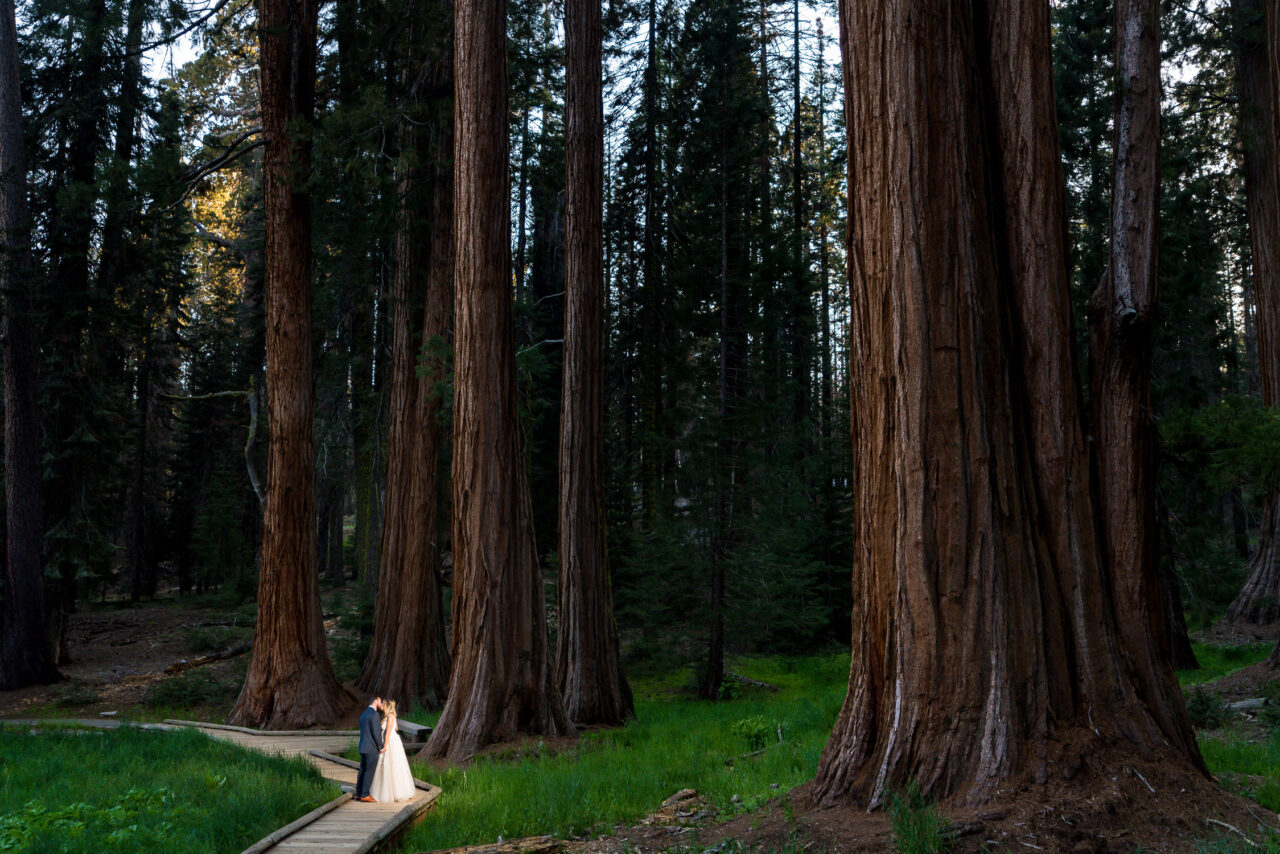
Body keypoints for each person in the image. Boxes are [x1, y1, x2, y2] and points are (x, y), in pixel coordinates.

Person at [369, 699, 416, 802]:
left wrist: (384, 747)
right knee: (385, 765)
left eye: (383, 704)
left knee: (391, 763)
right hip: (389, 740)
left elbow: (388, 734)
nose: (382, 705)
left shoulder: (390, 717)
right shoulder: (387, 717)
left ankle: (396, 791)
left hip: (390, 742)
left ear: (387, 706)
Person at [355, 696, 385, 802]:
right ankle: (365, 795)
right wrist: (381, 746)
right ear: (375, 701)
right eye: (380, 701)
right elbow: (376, 733)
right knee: (369, 771)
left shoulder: (363, 714)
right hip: (371, 748)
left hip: (363, 746)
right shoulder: (374, 715)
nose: (381, 703)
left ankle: (358, 793)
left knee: (362, 770)